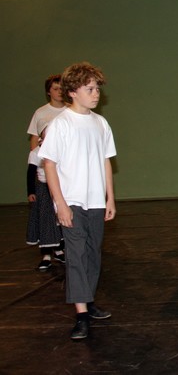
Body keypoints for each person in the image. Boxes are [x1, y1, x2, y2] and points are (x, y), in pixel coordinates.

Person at [39, 62, 116, 340]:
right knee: (76, 254)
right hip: (71, 200)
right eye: (90, 89)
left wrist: (110, 197)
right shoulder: (61, 124)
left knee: (93, 253)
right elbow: (49, 164)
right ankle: (81, 314)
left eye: (97, 89)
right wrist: (60, 203)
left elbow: (106, 161)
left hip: (95, 200)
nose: (96, 94)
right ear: (72, 92)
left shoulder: (100, 123)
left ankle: (88, 300)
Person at [26, 120, 64, 271]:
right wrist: (31, 192)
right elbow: (30, 173)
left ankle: (59, 250)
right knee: (45, 220)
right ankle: (46, 255)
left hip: (58, 188)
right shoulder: (36, 153)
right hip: (43, 189)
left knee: (59, 219)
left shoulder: (59, 151)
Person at [27, 74, 66, 150]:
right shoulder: (40, 112)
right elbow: (34, 138)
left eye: (62, 88)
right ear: (48, 92)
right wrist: (34, 156)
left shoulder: (73, 110)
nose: (60, 91)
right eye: (55, 89)